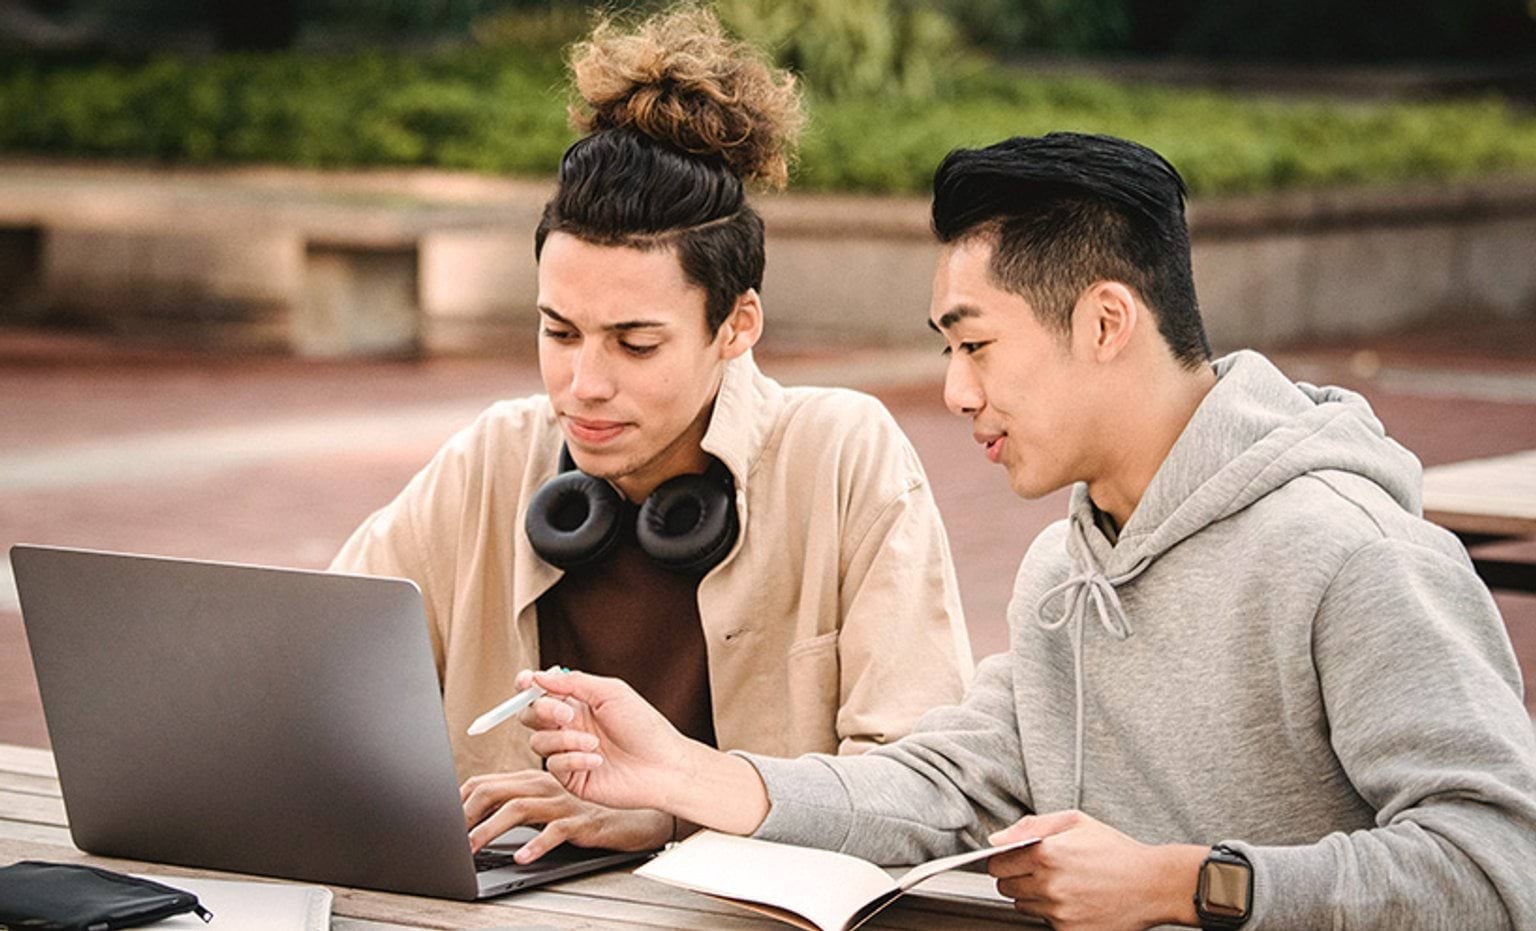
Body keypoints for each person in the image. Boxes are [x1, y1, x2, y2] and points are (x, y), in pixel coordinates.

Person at [519, 132, 1536, 929]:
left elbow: (1502, 868)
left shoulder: (1353, 553)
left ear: (1103, 323)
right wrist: (683, 773)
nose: (957, 391)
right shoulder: (1066, 566)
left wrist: (1190, 885)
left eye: (978, 345)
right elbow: (940, 786)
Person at [328, 7, 973, 864]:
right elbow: (310, 677)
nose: (584, 384)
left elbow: (927, 802)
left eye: (636, 343)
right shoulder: (495, 458)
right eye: (559, 332)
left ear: (737, 325)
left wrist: (675, 812)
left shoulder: (842, 455)